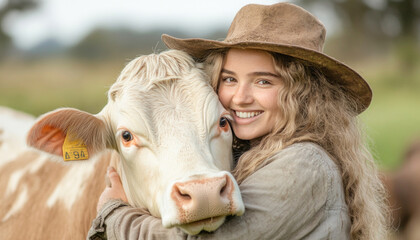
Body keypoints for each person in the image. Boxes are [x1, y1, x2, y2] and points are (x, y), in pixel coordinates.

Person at [88, 3, 389, 240]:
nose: (240, 98)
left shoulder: (304, 165)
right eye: (230, 78)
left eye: (263, 82)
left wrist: (113, 213)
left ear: (305, 94)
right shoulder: (252, 149)